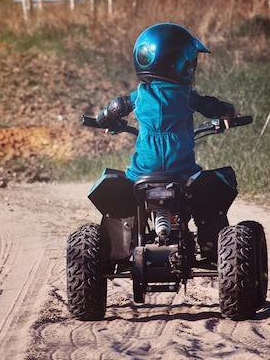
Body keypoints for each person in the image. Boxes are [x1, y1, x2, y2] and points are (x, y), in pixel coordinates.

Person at [95, 23, 237, 260]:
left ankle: (126, 239)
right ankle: (211, 244)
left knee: (118, 190)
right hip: (181, 171)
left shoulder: (140, 95)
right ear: (179, 62)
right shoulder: (185, 96)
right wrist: (228, 112)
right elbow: (211, 106)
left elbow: (116, 107)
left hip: (142, 173)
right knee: (209, 191)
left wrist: (103, 119)